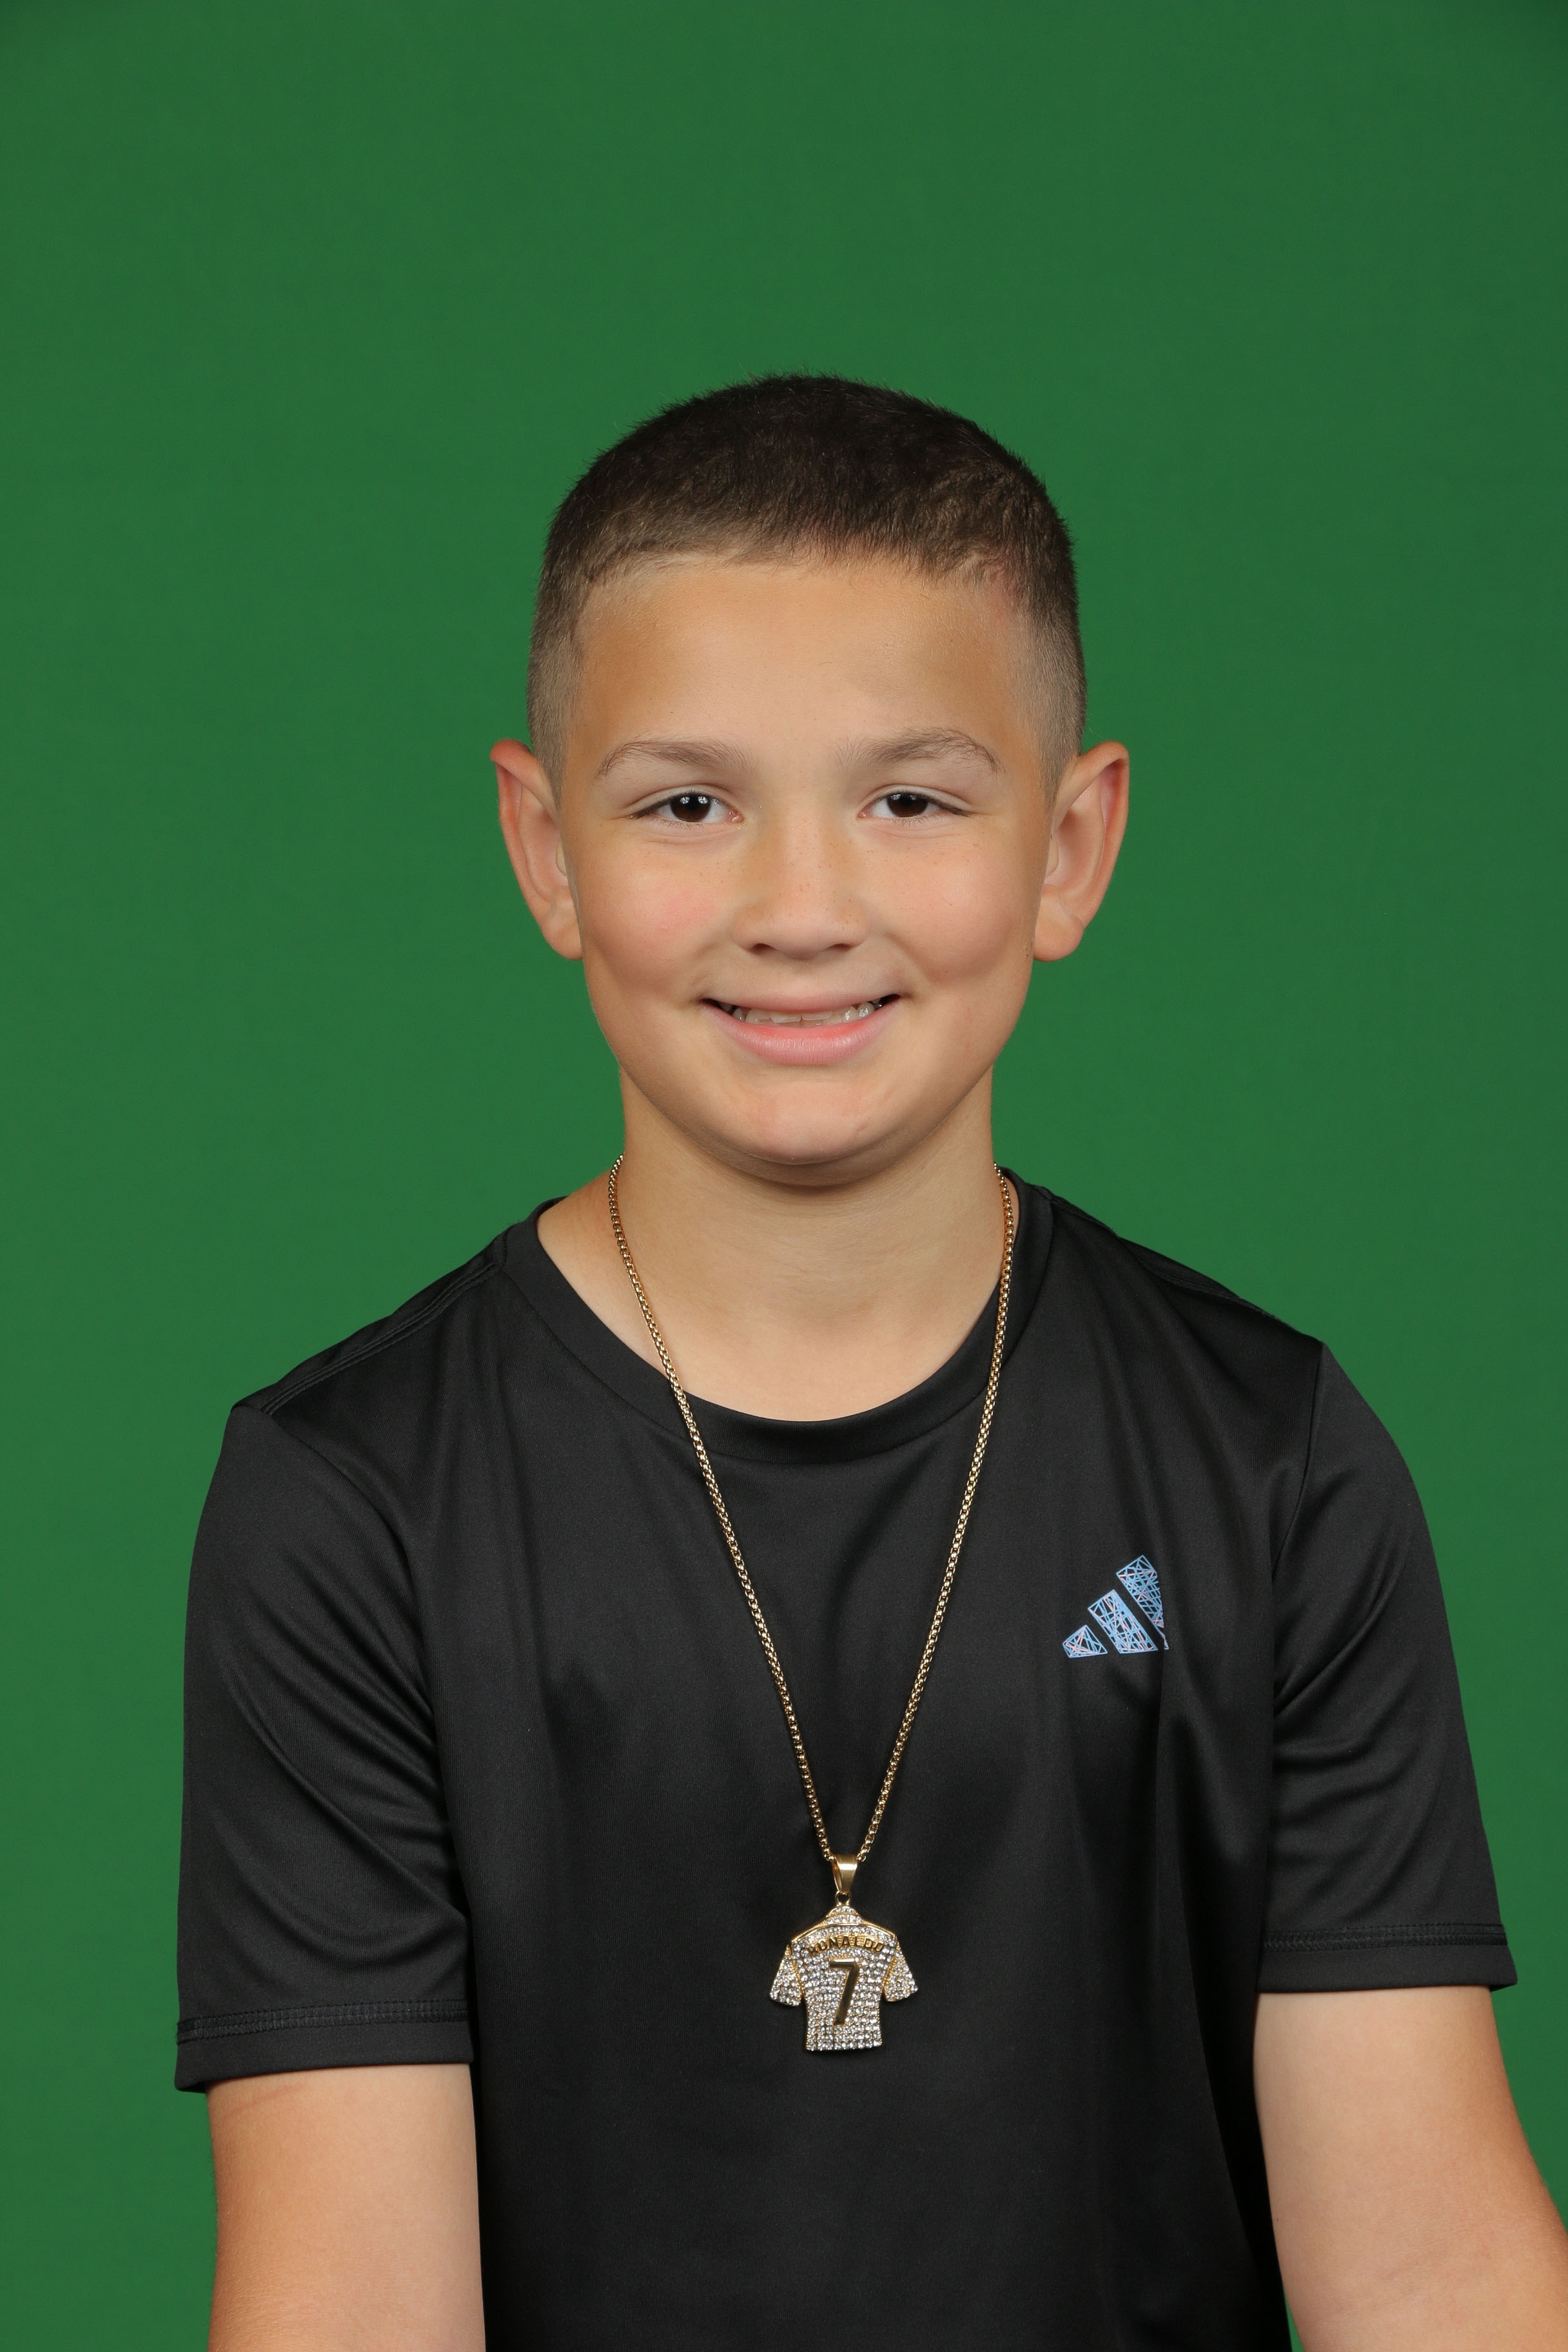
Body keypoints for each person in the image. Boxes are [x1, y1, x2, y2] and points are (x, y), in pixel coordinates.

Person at [177, 376, 1568, 2350]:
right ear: (545, 848)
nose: (802, 911)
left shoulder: (1274, 1459)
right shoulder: (356, 1502)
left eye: (910, 800)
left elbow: (1435, 2275)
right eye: (688, 805)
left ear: (1070, 846)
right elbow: (350, 2305)